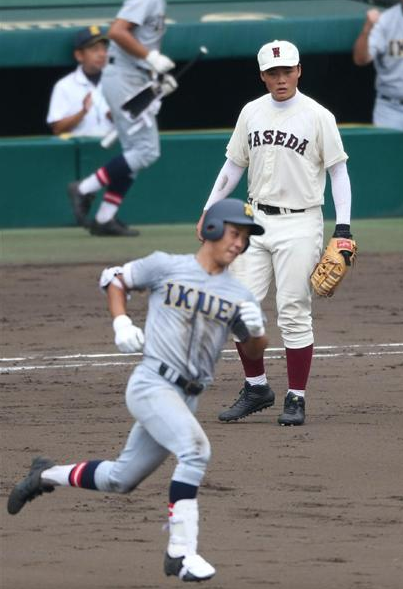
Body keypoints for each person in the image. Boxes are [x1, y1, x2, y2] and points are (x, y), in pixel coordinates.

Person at [7, 199, 268, 583]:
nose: (239, 243)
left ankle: (45, 475)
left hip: (186, 398)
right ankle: (181, 553)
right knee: (195, 451)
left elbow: (253, 351)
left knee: (121, 478)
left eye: (245, 238)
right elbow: (116, 278)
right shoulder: (167, 266)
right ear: (211, 229)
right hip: (152, 384)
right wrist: (121, 322)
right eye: (234, 232)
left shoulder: (239, 294)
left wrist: (257, 331)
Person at [197, 39, 355, 427]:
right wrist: (208, 209)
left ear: (299, 71)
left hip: (301, 222)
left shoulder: (318, 116)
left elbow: (338, 172)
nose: (281, 78)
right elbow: (233, 166)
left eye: (287, 71)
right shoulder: (251, 112)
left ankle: (296, 397)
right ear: (263, 75)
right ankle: (257, 388)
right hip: (256, 220)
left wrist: (344, 228)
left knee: (293, 311)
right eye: (273, 72)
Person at [68, 0, 177, 237]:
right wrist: (150, 58)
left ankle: (104, 217)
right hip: (124, 76)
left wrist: (154, 76)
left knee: (134, 152)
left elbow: (141, 40)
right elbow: (116, 31)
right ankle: (84, 188)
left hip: (133, 76)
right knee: (146, 150)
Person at [47, 26, 113, 137]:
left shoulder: (118, 80)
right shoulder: (64, 86)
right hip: (82, 150)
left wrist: (117, 117)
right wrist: (82, 112)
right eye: (95, 49)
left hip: (115, 148)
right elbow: (57, 129)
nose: (102, 54)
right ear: (79, 55)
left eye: (104, 49)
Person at [352, 0, 403, 130]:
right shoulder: (386, 21)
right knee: (388, 151)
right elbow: (361, 59)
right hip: (392, 108)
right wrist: (367, 30)